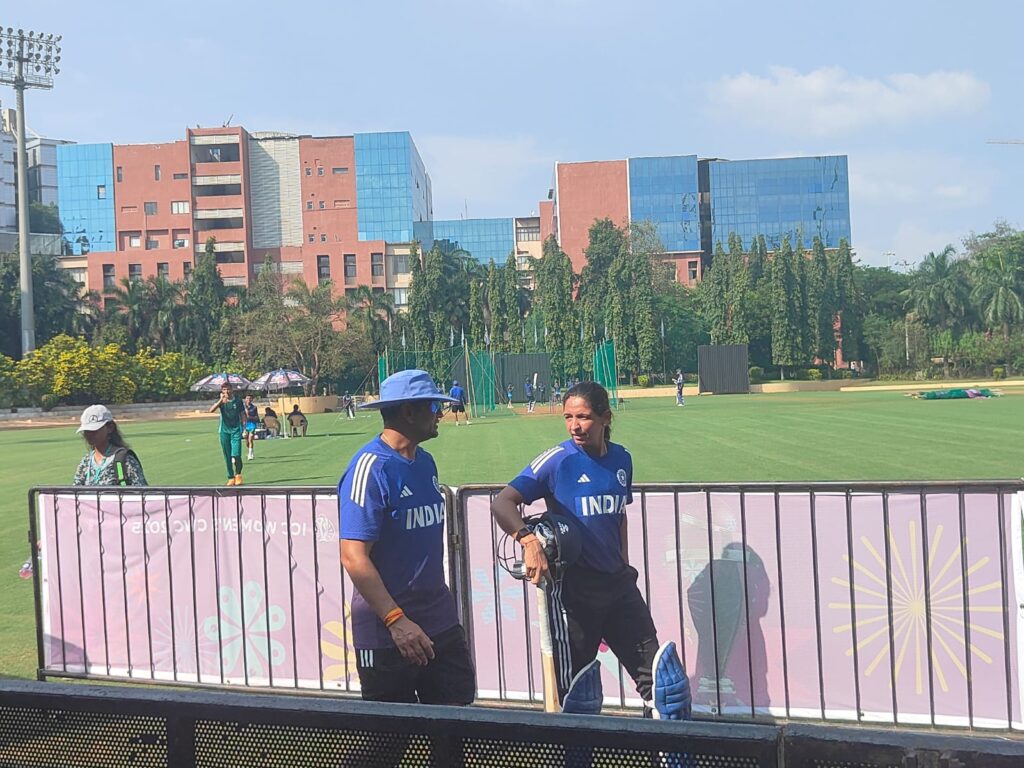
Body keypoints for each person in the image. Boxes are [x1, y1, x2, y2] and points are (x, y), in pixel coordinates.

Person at [490, 381, 690, 719]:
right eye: (568, 417)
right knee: (578, 700)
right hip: (574, 594)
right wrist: (528, 541)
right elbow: (502, 503)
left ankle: (666, 747)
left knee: (665, 689)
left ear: (605, 418)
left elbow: (618, 517)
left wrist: (623, 564)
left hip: (619, 588)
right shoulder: (557, 461)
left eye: (583, 417)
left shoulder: (621, 458)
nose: (574, 426)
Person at [338, 368, 476, 706]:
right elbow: (353, 556)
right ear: (408, 412)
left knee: (458, 724)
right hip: (388, 633)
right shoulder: (370, 468)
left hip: (439, 622)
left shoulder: (426, 463)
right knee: (393, 735)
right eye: (433, 407)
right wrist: (396, 620)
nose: (440, 414)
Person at [73, 405, 147, 487]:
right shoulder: (86, 462)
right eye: (86, 431)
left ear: (110, 428)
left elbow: (142, 491)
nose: (89, 434)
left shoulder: (124, 459)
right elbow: (75, 490)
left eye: (95, 430)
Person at [209, 382, 244, 486]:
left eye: (228, 389)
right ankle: (230, 477)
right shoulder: (222, 402)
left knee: (236, 454)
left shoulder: (238, 401)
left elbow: (242, 414)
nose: (226, 391)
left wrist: (245, 428)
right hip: (224, 431)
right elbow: (211, 410)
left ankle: (238, 474)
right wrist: (220, 401)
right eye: (224, 389)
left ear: (231, 390)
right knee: (227, 456)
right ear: (222, 391)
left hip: (236, 430)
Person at [242, 393, 259, 460]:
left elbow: (257, 417)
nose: (248, 399)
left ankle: (250, 455)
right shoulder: (242, 407)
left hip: (252, 424)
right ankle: (250, 451)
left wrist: (250, 417)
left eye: (250, 398)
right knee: (246, 441)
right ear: (245, 399)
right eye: (247, 398)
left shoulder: (254, 407)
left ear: (252, 399)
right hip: (245, 425)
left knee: (250, 439)